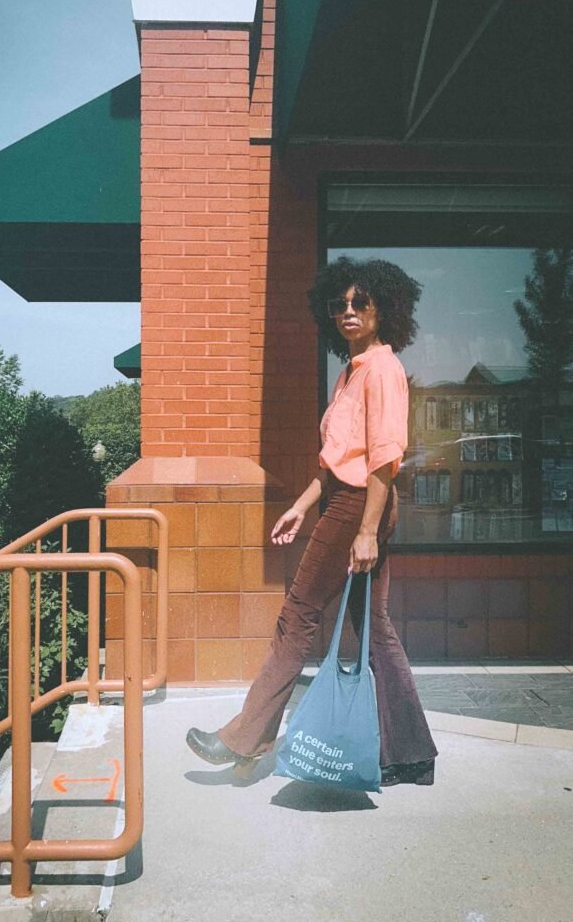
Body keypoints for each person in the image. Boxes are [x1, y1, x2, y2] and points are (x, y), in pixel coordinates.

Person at [186, 256, 438, 786]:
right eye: (339, 304)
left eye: (360, 302)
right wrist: (300, 506)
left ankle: (245, 738)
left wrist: (367, 530)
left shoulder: (383, 371)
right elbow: (333, 461)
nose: (348, 311)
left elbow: (383, 461)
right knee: (373, 628)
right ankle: (411, 754)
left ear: (383, 309)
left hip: (360, 505)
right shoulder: (350, 372)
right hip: (344, 500)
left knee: (298, 612)